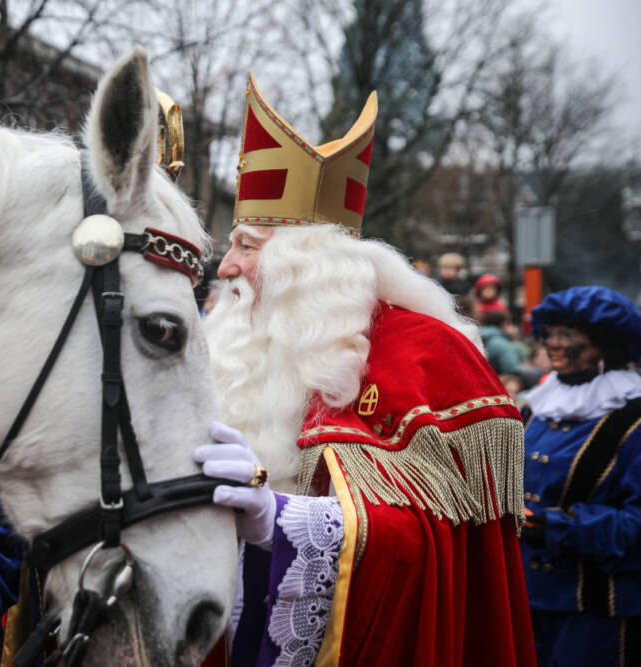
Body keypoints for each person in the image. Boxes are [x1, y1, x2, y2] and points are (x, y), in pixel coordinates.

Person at [194, 72, 536, 666]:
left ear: (304, 265)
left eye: (246, 246)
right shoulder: (236, 345)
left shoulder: (425, 352)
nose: (225, 267)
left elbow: (433, 550)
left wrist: (281, 521)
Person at [518, 286, 641, 666]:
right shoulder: (535, 409)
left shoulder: (637, 419)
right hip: (525, 600)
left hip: (596, 615)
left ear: (606, 343)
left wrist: (555, 528)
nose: (553, 345)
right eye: (550, 333)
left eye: (568, 334)